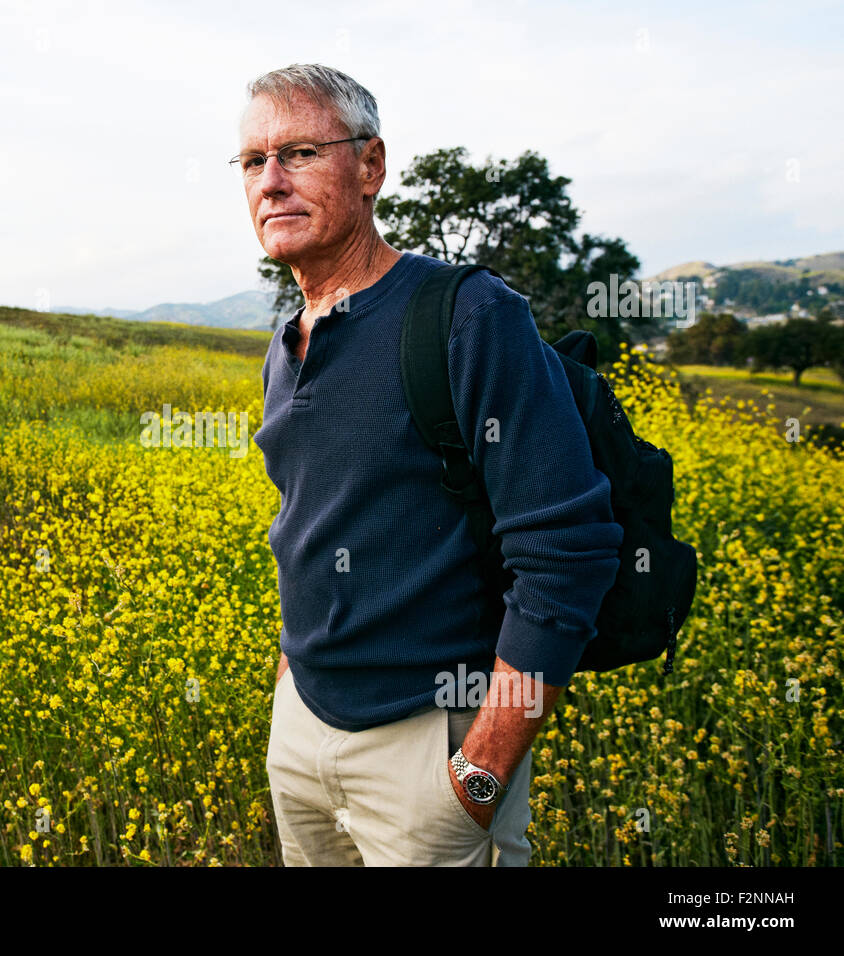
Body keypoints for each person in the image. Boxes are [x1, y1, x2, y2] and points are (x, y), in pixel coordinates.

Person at [236, 63, 624, 866]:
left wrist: (479, 776)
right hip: (302, 734)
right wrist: (289, 684)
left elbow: (567, 554)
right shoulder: (286, 347)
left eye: (300, 153)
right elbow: (309, 522)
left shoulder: (468, 315)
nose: (271, 182)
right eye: (252, 162)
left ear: (371, 166)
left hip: (430, 743)